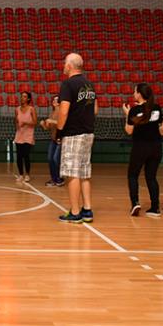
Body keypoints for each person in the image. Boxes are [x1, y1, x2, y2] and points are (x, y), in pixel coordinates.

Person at [56, 53, 98, 224]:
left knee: (72, 174)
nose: (64, 66)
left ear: (71, 65)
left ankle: (74, 212)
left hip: (73, 133)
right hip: (88, 132)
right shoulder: (90, 84)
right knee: (84, 173)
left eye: (65, 63)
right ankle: (87, 209)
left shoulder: (67, 84)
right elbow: (95, 110)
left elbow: (63, 111)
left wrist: (59, 131)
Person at [122, 83, 162, 217]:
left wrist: (127, 115)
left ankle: (135, 203)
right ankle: (155, 208)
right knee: (151, 177)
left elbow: (129, 130)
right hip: (156, 147)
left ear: (139, 94)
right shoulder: (156, 108)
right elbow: (159, 126)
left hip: (141, 147)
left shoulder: (134, 110)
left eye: (135, 92)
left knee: (132, 175)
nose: (133, 94)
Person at [39, 95, 64, 187]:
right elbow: (47, 128)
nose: (54, 101)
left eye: (56, 100)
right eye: (53, 100)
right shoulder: (52, 113)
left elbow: (64, 124)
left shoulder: (63, 112)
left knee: (56, 159)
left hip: (61, 139)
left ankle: (59, 178)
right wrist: (43, 125)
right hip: (53, 139)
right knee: (50, 159)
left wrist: (52, 121)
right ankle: (54, 179)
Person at [14, 91, 37, 182]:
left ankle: (27, 174)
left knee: (26, 155)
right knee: (19, 156)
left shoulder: (31, 109)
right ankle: (20, 174)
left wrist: (25, 123)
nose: (22, 98)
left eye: (24, 96)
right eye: (21, 96)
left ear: (28, 99)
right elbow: (16, 121)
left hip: (28, 135)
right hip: (19, 135)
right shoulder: (17, 109)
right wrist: (17, 125)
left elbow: (35, 122)